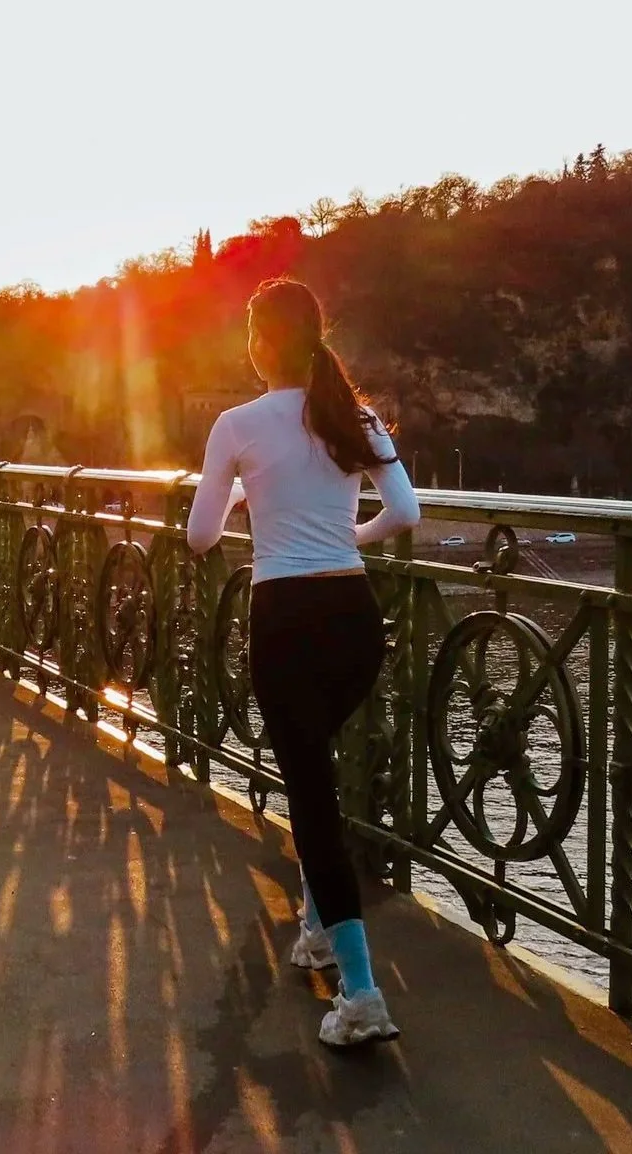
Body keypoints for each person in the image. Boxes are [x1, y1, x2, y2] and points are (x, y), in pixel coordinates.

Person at [184, 277, 420, 1049]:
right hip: (355, 621)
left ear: (258, 342)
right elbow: (406, 512)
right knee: (315, 775)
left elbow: (201, 537)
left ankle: (361, 994)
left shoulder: (236, 424)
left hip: (285, 621)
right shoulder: (353, 414)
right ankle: (318, 935)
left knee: (312, 801)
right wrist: (345, 539)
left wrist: (244, 497)